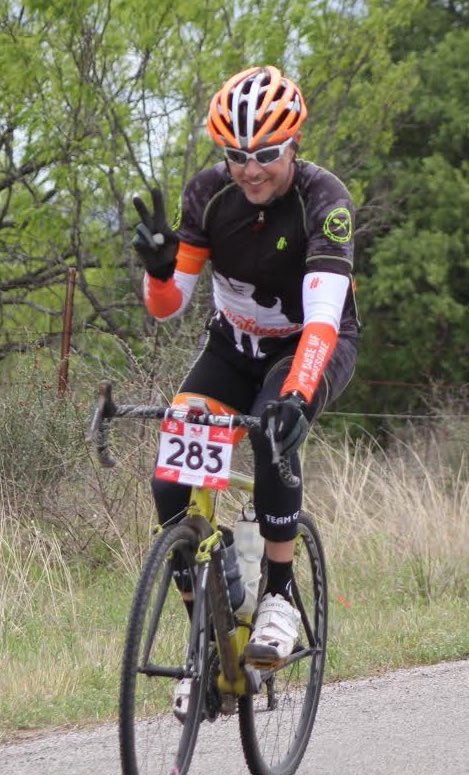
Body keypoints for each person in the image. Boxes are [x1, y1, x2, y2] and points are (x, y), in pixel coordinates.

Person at [132, 65, 359, 683]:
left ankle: (280, 596)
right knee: (170, 480)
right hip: (233, 347)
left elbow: (321, 322)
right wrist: (158, 271)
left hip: (310, 344)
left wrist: (296, 395)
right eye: (237, 155)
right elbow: (168, 307)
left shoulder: (325, 201)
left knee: (270, 434)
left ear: (294, 146)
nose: (250, 169)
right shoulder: (208, 195)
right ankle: (206, 642)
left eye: (265, 153)